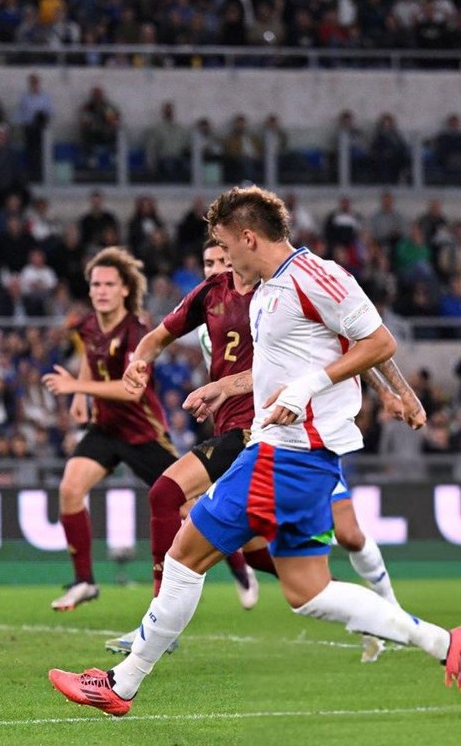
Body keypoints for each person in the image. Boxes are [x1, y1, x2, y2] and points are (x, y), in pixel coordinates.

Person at [49, 185, 461, 717]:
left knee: (184, 553)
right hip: (291, 457)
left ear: (248, 237)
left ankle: (120, 685)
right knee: (309, 593)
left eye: (224, 246)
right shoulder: (268, 288)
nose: (219, 263)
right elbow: (335, 349)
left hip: (288, 455)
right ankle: (445, 644)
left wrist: (344, 388)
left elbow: (376, 341)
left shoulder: (316, 276)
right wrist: (392, 391)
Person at [106, 238, 425, 662]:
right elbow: (159, 336)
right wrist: (139, 360)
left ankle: (393, 618)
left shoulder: (282, 288)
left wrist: (391, 391)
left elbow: (351, 343)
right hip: (267, 440)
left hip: (277, 433)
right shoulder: (209, 298)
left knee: (346, 534)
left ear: (245, 247)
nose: (218, 267)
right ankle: (379, 620)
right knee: (268, 559)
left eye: (223, 258)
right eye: (208, 262)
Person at [41, 246, 177, 611]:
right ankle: (84, 581)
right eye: (95, 284)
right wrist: (81, 399)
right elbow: (90, 355)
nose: (100, 290)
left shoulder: (138, 330)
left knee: (192, 507)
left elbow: (132, 393)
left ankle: (241, 561)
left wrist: (76, 388)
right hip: (106, 430)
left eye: (108, 284)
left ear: (125, 290)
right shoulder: (87, 325)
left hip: (142, 431)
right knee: (70, 488)